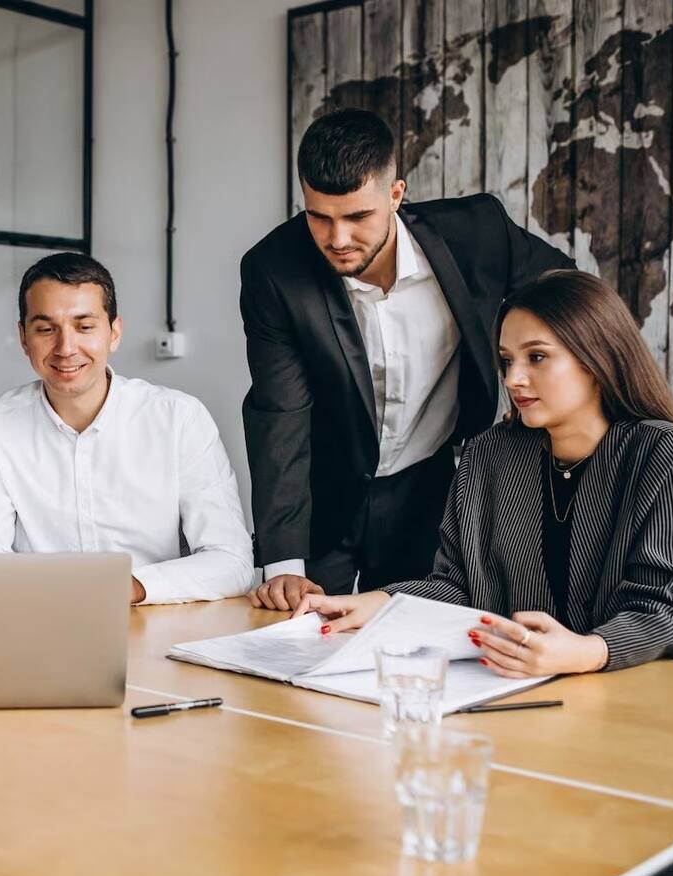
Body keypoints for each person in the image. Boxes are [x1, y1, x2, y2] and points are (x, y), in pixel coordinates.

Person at [240, 108, 574, 610]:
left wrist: (521, 375)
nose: (337, 239)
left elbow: (568, 293)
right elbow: (279, 412)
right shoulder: (274, 271)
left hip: (428, 491)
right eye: (319, 216)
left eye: (357, 217)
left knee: (416, 643)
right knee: (295, 646)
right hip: (321, 497)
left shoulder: (477, 233)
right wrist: (283, 563)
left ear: (396, 195)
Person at [301, 270, 673, 673]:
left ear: (596, 357)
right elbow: (458, 587)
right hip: (513, 692)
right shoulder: (487, 454)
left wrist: (585, 652)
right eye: (507, 361)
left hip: (638, 697)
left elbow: (667, 609)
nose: (513, 379)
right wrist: (381, 603)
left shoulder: (660, 452)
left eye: (537, 357)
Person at [0, 252, 254, 604]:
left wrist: (127, 586)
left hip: (158, 623)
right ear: (24, 337)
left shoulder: (178, 418)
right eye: (45, 329)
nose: (65, 348)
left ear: (114, 333)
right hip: (38, 622)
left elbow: (232, 561)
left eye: (84, 327)